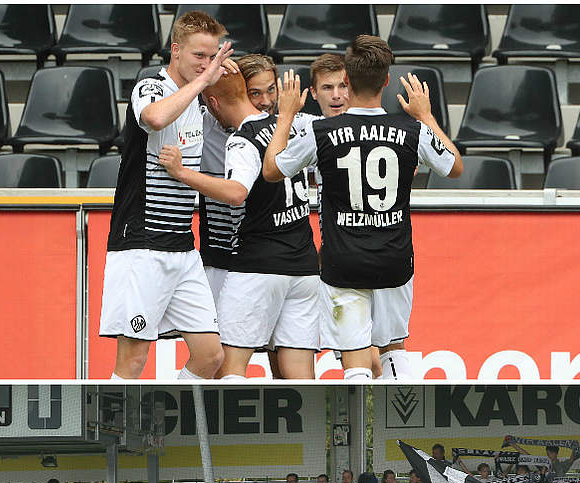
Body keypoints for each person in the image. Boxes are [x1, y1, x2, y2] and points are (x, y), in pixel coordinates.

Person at [262, 35, 463, 380]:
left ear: (349, 82)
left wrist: (285, 117)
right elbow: (454, 167)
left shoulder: (321, 131)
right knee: (393, 347)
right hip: (394, 259)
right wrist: (427, 116)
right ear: (386, 80)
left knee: (355, 361)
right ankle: (401, 428)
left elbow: (272, 171)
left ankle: (358, 434)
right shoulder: (412, 130)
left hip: (344, 260)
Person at [158, 58, 324, 380]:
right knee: (301, 377)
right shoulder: (291, 128)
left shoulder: (242, 139)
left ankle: (223, 433)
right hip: (303, 267)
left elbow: (236, 192)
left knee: (229, 370)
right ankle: (312, 433)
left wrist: (181, 172)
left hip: (258, 265)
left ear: (213, 102)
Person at [100, 10, 231, 380]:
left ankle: (171, 427)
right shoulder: (151, 87)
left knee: (210, 356)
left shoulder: (201, 99)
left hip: (182, 247)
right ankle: (120, 437)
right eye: (199, 56)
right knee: (133, 361)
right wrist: (205, 80)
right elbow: (155, 118)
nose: (206, 64)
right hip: (141, 243)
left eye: (211, 56)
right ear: (176, 50)